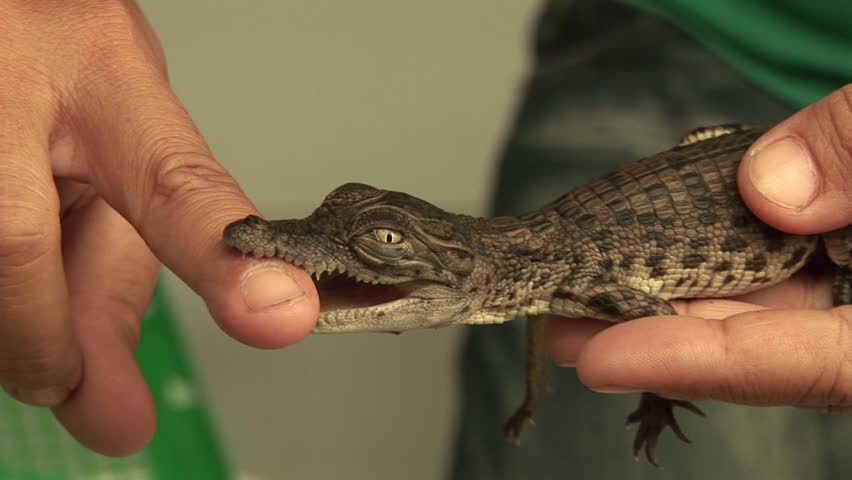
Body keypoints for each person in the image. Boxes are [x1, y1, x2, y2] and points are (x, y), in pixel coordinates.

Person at [0, 0, 847, 470]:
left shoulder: (572, 274)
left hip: (802, 210)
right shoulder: (544, 276)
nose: (284, 241)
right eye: (373, 232)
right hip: (687, 34)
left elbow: (649, 314)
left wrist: (661, 391)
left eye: (384, 241)